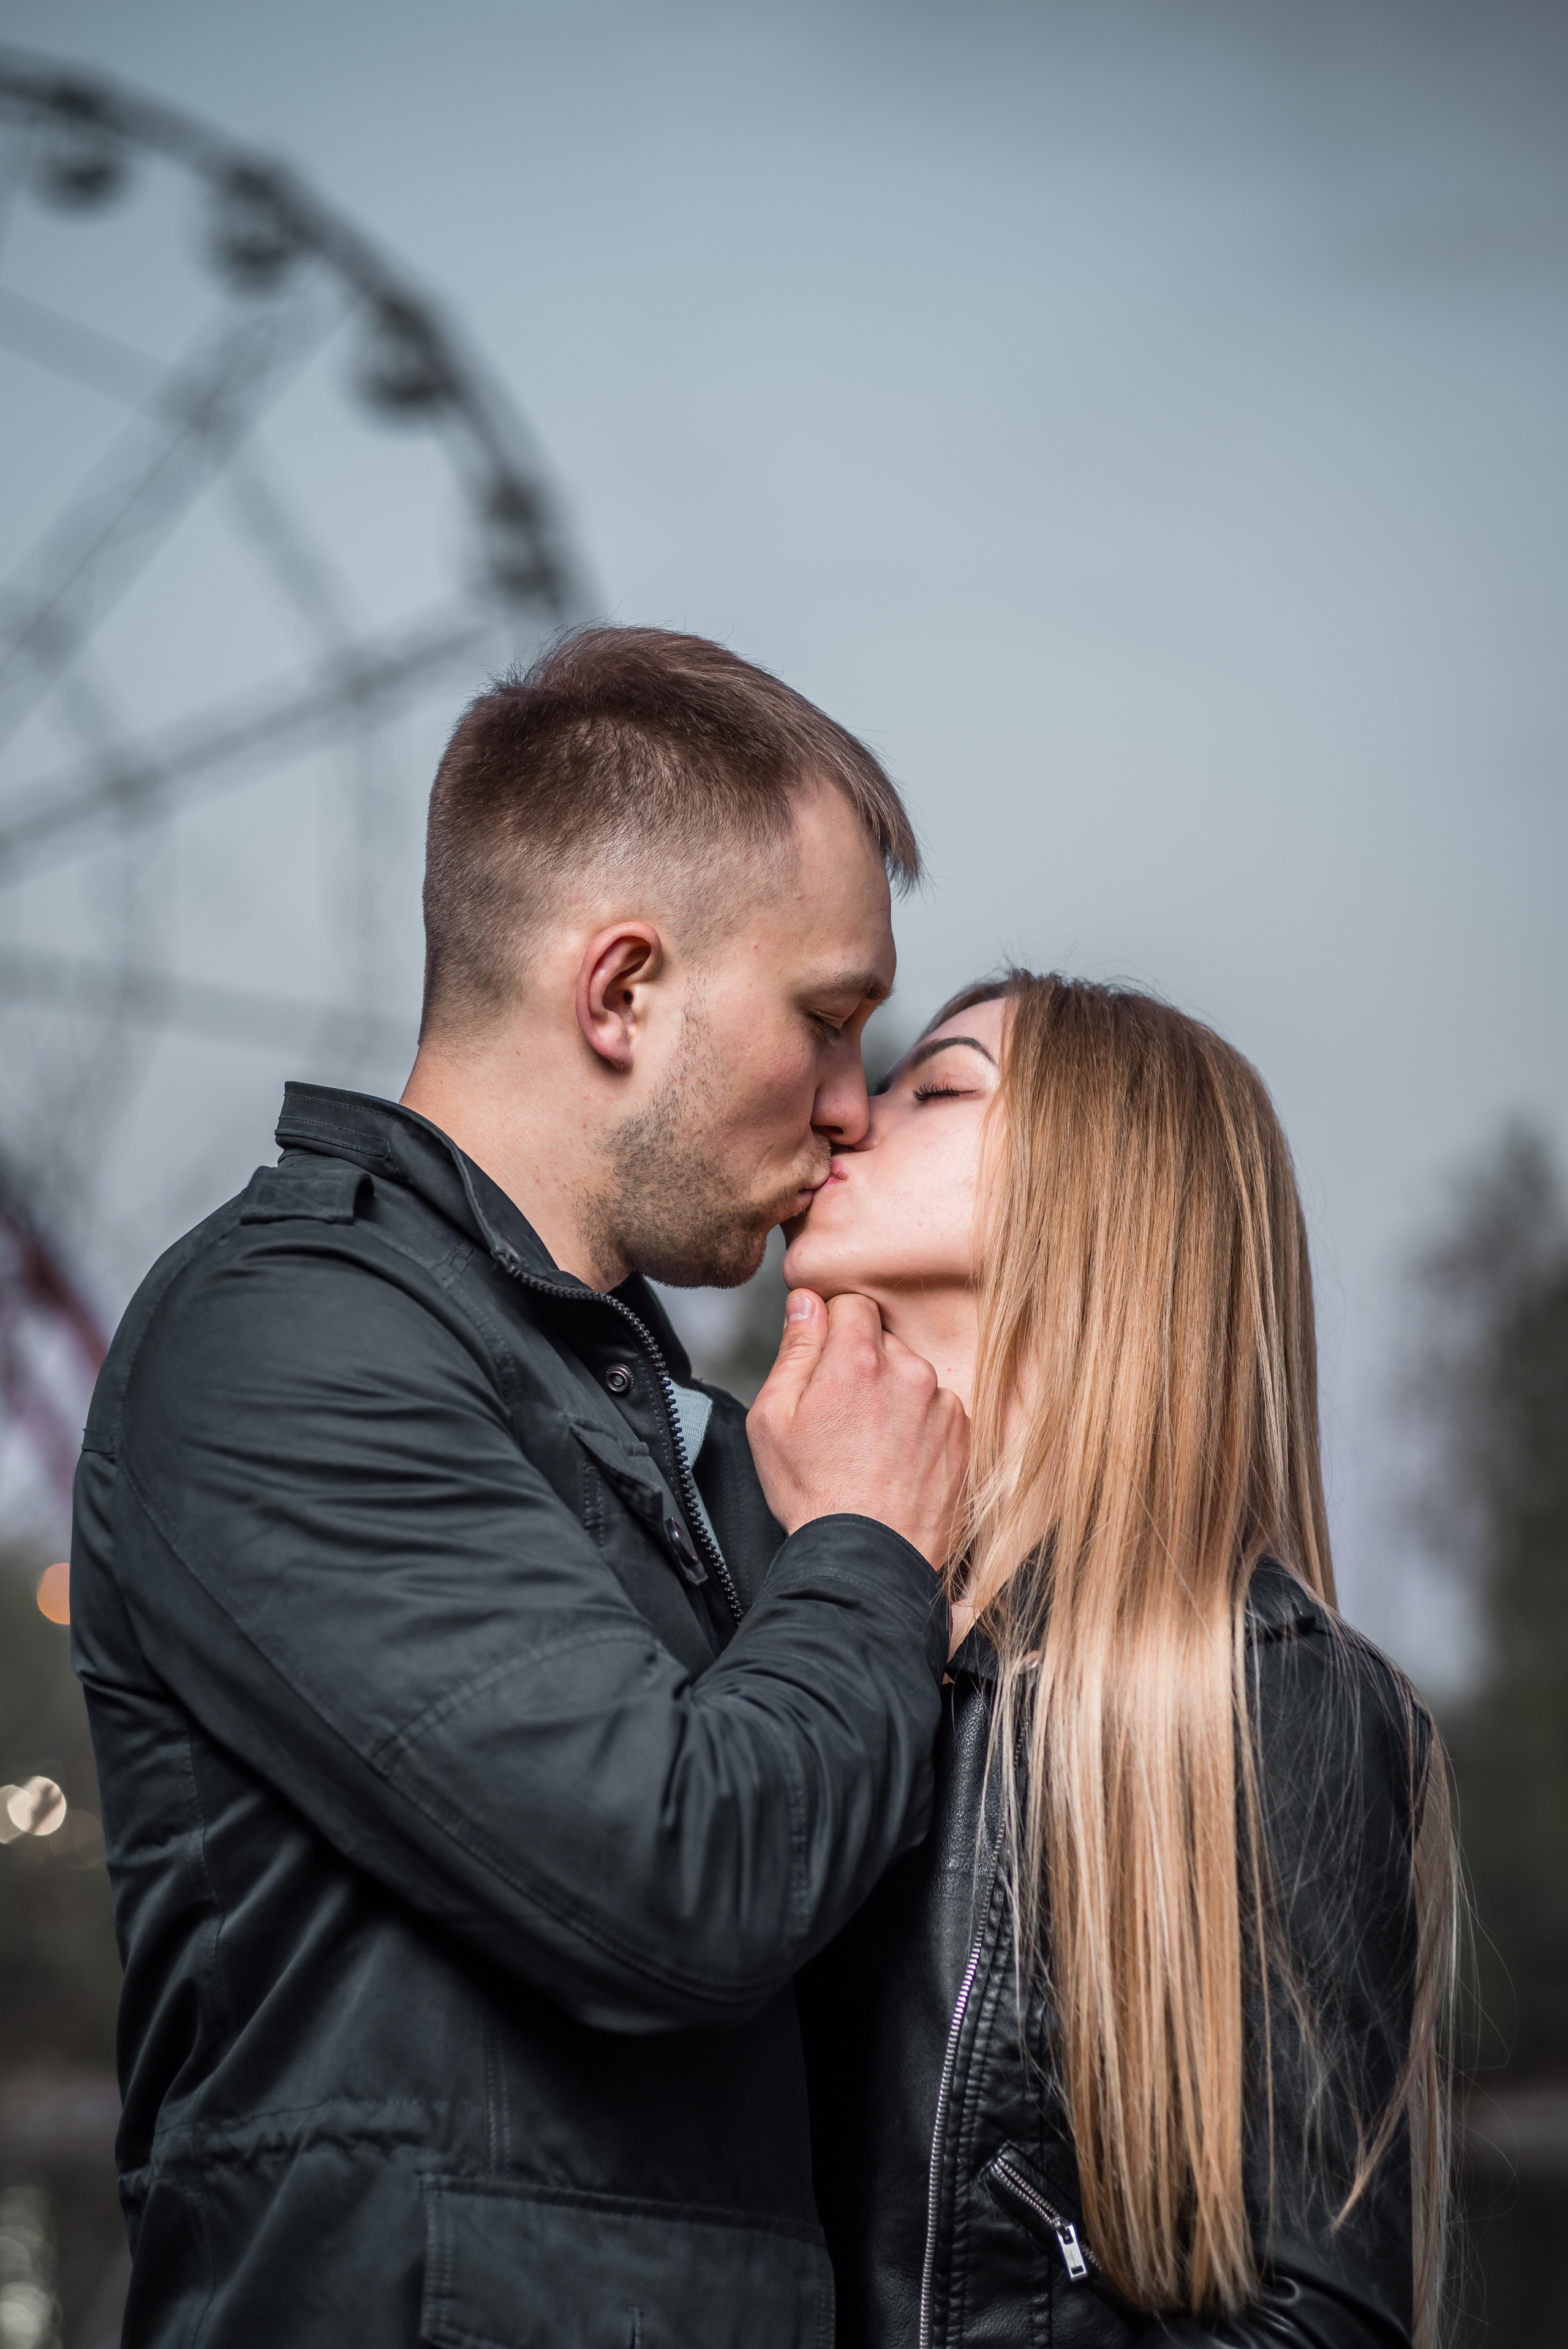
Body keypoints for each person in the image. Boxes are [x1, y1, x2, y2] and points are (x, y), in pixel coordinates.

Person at [69, 627, 968, 2348]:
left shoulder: (621, 1394)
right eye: (829, 1019)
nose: (853, 1107)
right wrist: (865, 1544)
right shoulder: (284, 1345)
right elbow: (680, 1878)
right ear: (621, 989)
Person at [786, 972, 1454, 2349]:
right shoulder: (787, 1622)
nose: (842, 1112)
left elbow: (1311, 2327)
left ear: (1100, 1195)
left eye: (937, 1086)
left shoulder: (1255, 1694)